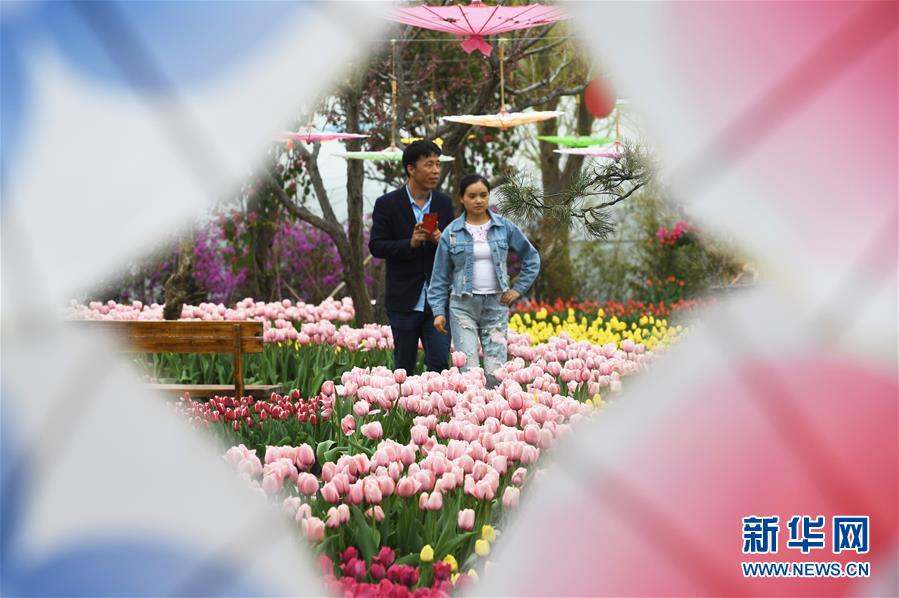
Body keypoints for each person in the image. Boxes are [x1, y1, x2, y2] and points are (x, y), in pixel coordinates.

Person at [427, 174, 540, 386]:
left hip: (496, 305)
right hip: (462, 306)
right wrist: (438, 312)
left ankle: (495, 407)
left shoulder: (504, 227)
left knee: (496, 372)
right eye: (472, 196)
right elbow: (439, 276)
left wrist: (518, 289)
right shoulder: (452, 232)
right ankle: (471, 407)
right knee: (468, 371)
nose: (478, 200)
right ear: (462, 198)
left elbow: (532, 258)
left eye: (483, 195)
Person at [369, 140, 454, 374]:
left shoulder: (444, 203)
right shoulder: (387, 204)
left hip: (438, 300)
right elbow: (376, 246)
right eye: (429, 164)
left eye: (437, 164)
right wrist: (410, 243)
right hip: (404, 299)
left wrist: (442, 240)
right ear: (411, 169)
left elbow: (457, 247)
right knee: (404, 368)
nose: (435, 170)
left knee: (440, 366)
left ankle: (438, 401)